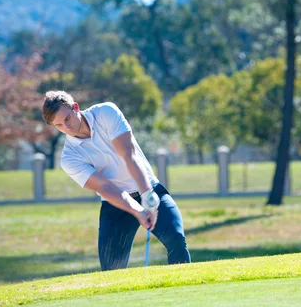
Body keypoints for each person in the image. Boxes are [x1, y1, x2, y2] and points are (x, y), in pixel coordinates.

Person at [42, 90, 191, 271]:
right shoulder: (69, 158)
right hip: (116, 205)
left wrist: (147, 195)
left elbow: (128, 155)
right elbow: (105, 187)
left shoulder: (106, 113)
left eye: (67, 119)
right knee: (112, 268)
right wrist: (138, 210)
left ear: (75, 108)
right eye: (59, 125)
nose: (67, 127)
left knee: (176, 238)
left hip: (149, 188)